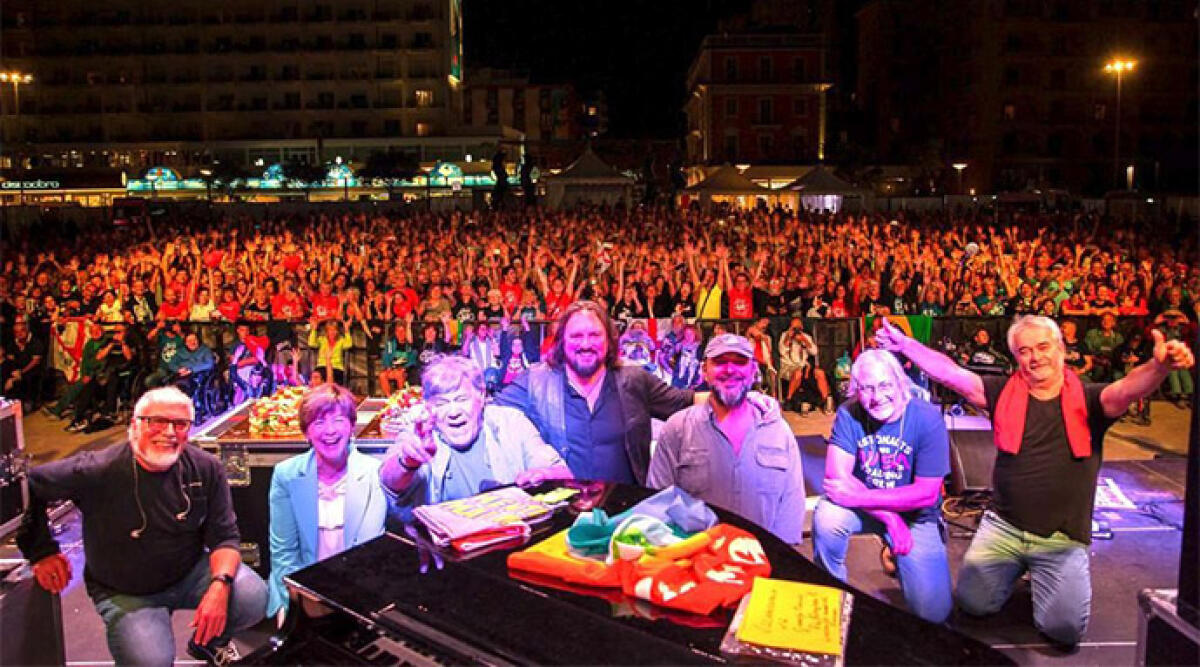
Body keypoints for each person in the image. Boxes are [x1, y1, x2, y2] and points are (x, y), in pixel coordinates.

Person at [874, 315, 1194, 646]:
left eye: (1043, 347)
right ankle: (1017, 567)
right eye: (1024, 351)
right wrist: (906, 345)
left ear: (1061, 349)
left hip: (1061, 537)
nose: (1035, 357)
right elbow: (952, 373)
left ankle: (1040, 572)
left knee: (1062, 630)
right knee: (973, 605)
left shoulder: (1089, 399)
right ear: (1016, 358)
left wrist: (1160, 367)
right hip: (1004, 528)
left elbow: (1127, 388)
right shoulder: (1003, 393)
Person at [16, 387, 268, 665]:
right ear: (134, 425)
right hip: (127, 591)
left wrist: (219, 587)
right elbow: (32, 484)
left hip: (189, 575)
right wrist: (40, 550)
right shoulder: (98, 469)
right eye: (157, 421)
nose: (169, 432)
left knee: (252, 597)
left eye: (180, 424)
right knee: (151, 660)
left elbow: (225, 538)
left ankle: (210, 644)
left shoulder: (206, 468)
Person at [811, 349, 953, 624]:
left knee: (933, 614)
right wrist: (890, 519)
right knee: (827, 516)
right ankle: (832, 596)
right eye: (866, 388)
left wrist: (894, 516)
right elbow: (836, 478)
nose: (876, 397)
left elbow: (926, 494)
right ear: (856, 390)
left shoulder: (926, 419)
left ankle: (895, 553)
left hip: (915, 516)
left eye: (885, 385)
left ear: (901, 384)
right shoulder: (850, 413)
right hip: (869, 509)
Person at [493, 301, 695, 485]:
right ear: (562, 340)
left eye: (594, 335)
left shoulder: (634, 379)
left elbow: (685, 402)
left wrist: (725, 389)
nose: (586, 344)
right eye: (576, 336)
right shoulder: (536, 382)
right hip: (561, 517)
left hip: (625, 515)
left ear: (609, 339)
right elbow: (488, 415)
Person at [647, 334, 805, 544]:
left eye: (740, 362)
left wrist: (781, 560)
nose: (730, 369)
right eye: (720, 362)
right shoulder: (677, 429)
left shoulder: (778, 431)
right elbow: (658, 502)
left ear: (753, 371)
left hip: (763, 563)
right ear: (704, 371)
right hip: (698, 561)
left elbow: (791, 506)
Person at [380, 356, 572, 511]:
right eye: (442, 403)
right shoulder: (420, 434)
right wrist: (407, 462)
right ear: (429, 406)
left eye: (461, 399)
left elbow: (559, 470)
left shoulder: (512, 422)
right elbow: (388, 482)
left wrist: (544, 475)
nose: (453, 412)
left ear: (481, 396)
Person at [267, 384, 388, 621]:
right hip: (300, 589)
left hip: (358, 592)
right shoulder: (286, 475)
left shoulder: (375, 473)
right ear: (306, 432)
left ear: (352, 426)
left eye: (339, 420)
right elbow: (284, 554)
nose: (329, 431)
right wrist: (299, 602)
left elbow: (367, 556)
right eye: (319, 422)